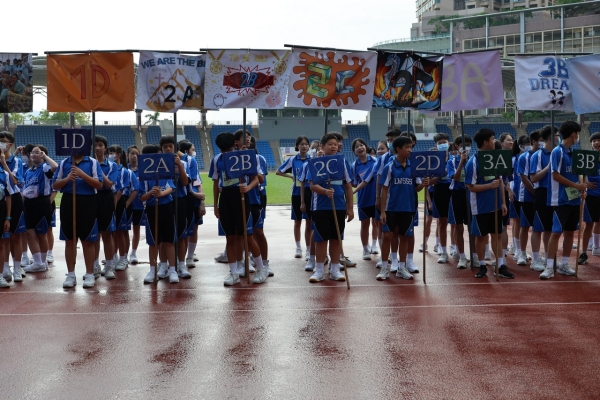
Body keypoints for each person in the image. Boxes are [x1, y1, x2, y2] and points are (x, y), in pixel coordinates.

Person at [210, 132, 268, 286]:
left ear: (234, 145)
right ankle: (234, 273)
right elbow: (216, 183)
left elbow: (256, 178)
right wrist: (216, 205)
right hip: (225, 198)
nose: (226, 153)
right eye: (223, 150)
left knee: (248, 236)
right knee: (230, 237)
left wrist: (248, 188)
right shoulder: (216, 160)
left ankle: (261, 269)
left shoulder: (245, 157)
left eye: (228, 149)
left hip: (242, 197)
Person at [465, 128, 514, 279]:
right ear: (485, 142)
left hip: (496, 205)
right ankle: (482, 266)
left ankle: (500, 265)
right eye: (493, 139)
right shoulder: (473, 162)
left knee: (497, 235)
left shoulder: (496, 159)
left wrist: (503, 203)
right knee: (481, 236)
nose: (495, 142)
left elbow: (500, 181)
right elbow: (470, 186)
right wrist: (488, 186)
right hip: (480, 207)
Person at [376, 136, 427, 280]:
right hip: (391, 208)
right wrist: (383, 212)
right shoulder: (390, 166)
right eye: (407, 147)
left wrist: (424, 184)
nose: (410, 150)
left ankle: (402, 268)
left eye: (411, 147)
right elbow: (384, 189)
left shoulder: (414, 166)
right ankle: (384, 268)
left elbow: (416, 188)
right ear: (398, 149)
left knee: (404, 238)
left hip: (408, 208)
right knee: (387, 236)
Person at [52, 144, 103, 288]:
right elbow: (55, 185)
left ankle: (89, 274)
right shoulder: (64, 163)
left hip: (88, 201)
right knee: (69, 240)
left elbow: (99, 185)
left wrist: (82, 174)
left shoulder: (92, 162)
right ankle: (70, 274)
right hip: (68, 201)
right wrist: (68, 179)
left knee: (88, 241)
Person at [540, 121, 586, 279]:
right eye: (577, 134)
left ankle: (564, 264)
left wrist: (582, 188)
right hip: (560, 200)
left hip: (574, 199)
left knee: (570, 232)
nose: (577, 137)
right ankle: (549, 266)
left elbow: (577, 174)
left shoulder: (573, 153)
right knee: (556, 233)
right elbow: (555, 175)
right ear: (573, 134)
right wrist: (576, 185)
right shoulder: (557, 152)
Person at [306, 132, 353, 283]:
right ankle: (319, 270)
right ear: (322, 146)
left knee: (336, 238)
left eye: (335, 144)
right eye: (330, 144)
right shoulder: (315, 162)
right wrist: (325, 191)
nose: (334, 147)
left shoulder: (342, 162)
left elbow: (348, 186)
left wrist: (350, 208)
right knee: (321, 239)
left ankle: (335, 269)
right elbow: (312, 185)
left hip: (338, 206)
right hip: (320, 207)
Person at [137, 144, 178, 284]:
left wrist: (161, 193)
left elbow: (171, 187)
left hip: (166, 208)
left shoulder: (165, 171)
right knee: (153, 242)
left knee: (168, 241)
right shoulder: (143, 176)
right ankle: (152, 269)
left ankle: (172, 270)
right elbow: (141, 197)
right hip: (151, 209)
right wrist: (151, 193)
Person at [21, 146, 58, 273]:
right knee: (29, 233)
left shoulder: (45, 167)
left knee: (42, 234)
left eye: (37, 152)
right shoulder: (28, 171)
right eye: (32, 152)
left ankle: (43, 261)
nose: (34, 154)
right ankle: (38, 262)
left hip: (42, 202)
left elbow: (55, 167)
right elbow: (25, 189)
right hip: (28, 203)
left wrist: (45, 157)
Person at [159, 136, 190, 281]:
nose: (168, 149)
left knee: (182, 235)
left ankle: (181, 264)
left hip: (180, 200)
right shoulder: (158, 163)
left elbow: (185, 182)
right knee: (164, 236)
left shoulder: (184, 163)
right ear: (161, 149)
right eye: (165, 147)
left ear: (175, 148)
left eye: (170, 146)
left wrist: (180, 167)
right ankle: (163, 265)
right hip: (164, 201)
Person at [276, 135, 312, 259]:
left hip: (309, 193)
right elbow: (278, 171)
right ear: (297, 146)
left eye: (306, 144)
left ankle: (309, 249)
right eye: (301, 144)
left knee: (309, 222)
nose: (304, 146)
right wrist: (291, 176)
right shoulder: (292, 160)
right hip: (296, 193)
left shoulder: (311, 160)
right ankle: (298, 247)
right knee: (297, 221)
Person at [529, 125, 559, 272]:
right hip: (542, 193)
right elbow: (533, 178)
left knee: (550, 229)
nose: (559, 138)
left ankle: (549, 259)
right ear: (552, 137)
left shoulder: (557, 153)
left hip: (555, 193)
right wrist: (548, 167)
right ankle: (535, 260)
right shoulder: (538, 155)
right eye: (557, 135)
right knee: (538, 227)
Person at [0, 131, 26, 283]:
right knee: (3, 237)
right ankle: (5, 268)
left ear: (10, 144)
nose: (1, 143)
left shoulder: (16, 162)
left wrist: (4, 164)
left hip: (14, 199)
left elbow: (15, 181)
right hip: (1, 199)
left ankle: (17, 268)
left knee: (16, 236)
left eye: (3, 141)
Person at [93, 135, 118, 280]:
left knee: (107, 235)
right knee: (93, 235)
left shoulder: (112, 166)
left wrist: (97, 167)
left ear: (105, 148)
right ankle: (94, 266)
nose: (97, 148)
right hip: (91, 199)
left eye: (100, 145)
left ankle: (109, 266)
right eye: (95, 145)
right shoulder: (87, 164)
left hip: (105, 199)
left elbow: (108, 184)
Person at [350, 138, 378, 259]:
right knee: (364, 225)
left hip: (376, 198)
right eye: (357, 147)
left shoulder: (375, 161)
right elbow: (353, 183)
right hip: (363, 199)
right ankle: (365, 249)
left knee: (376, 223)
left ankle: (374, 245)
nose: (360, 148)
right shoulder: (354, 165)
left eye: (361, 145)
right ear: (354, 151)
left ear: (366, 147)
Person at [448, 135, 472, 269]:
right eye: (463, 144)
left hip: (471, 194)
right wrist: (461, 161)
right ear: (457, 146)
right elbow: (456, 178)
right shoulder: (452, 161)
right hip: (457, 195)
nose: (466, 147)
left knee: (471, 227)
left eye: (468, 144)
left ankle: (474, 254)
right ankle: (462, 256)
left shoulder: (473, 160)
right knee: (459, 227)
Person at [430, 133, 452, 263]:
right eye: (440, 143)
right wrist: (439, 176)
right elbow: (429, 181)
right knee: (442, 222)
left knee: (456, 223)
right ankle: (443, 251)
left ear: (449, 143)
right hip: (439, 190)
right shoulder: (433, 161)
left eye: (444, 142)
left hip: (453, 190)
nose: (442, 145)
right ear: (436, 145)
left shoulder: (455, 158)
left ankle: (456, 250)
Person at [579, 132, 600, 264]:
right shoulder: (587, 158)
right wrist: (585, 182)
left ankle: (596, 247)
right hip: (591, 195)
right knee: (589, 224)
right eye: (594, 141)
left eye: (599, 140)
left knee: (599, 222)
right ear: (591, 143)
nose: (597, 142)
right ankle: (583, 252)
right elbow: (579, 173)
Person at [126, 146, 144, 264]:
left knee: (136, 229)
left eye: (136, 154)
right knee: (123, 231)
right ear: (127, 155)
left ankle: (133, 253)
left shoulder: (142, 170)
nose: (134, 156)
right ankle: (120, 255)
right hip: (126, 205)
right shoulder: (124, 169)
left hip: (139, 205)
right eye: (132, 153)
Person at [0, 165, 10, 287]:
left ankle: (0, 276)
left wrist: (8, 218)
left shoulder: (4, 174)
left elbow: (8, 196)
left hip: (1, 210)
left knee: (0, 244)